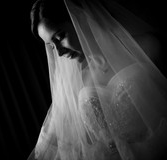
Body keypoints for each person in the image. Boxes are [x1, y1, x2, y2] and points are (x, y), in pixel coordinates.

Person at [28, 0, 167, 159]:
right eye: (52, 45)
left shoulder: (147, 47)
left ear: (80, 18)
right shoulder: (75, 81)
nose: (59, 52)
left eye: (60, 37)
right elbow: (54, 143)